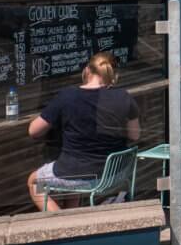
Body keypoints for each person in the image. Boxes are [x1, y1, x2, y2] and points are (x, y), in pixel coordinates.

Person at [26, 53, 140, 211]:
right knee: (73, 174)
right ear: (113, 74)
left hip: (78, 175)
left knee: (35, 182)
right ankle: (73, 217)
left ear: (87, 70)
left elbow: (33, 131)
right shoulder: (124, 96)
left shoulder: (68, 96)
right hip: (113, 174)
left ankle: (61, 221)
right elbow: (135, 135)